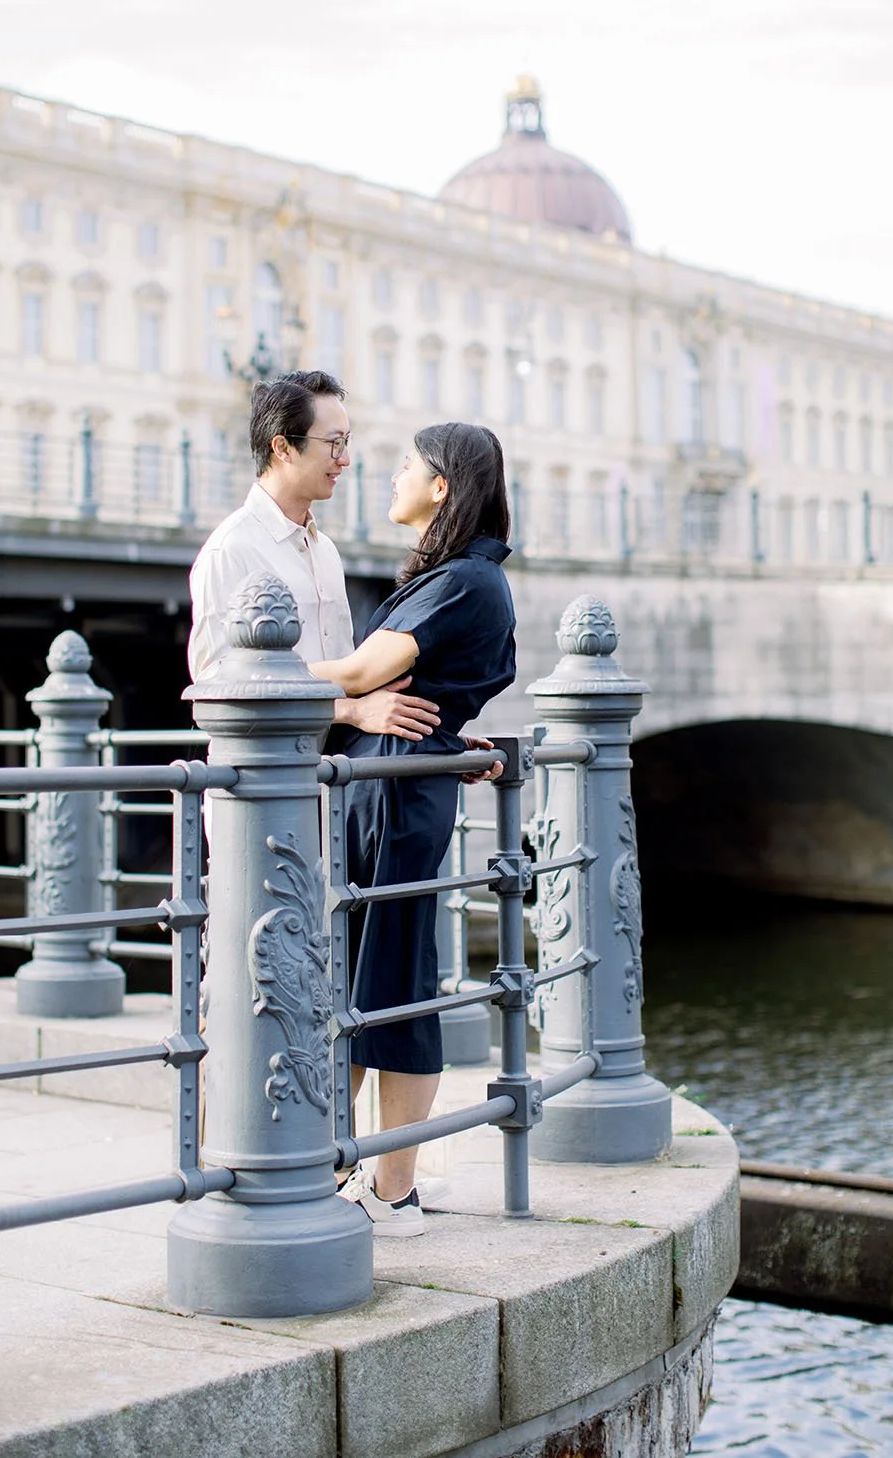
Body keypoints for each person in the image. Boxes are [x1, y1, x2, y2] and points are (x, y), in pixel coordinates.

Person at [308, 421, 517, 1237]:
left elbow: (364, 672)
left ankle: (390, 1191)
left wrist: (247, 667)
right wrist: (441, 736)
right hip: (399, 780)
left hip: (392, 791)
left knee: (389, 984)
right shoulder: (466, 577)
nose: (388, 476)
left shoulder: (463, 578)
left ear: (441, 487)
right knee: (377, 980)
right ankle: (353, 1170)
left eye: (405, 466)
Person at [187, 370, 441, 741]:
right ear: (283, 448)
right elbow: (217, 681)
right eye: (334, 443)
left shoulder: (325, 550)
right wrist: (349, 711)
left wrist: (439, 743)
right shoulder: (231, 549)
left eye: (346, 442)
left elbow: (347, 674)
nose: (345, 460)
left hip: (329, 778)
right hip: (264, 782)